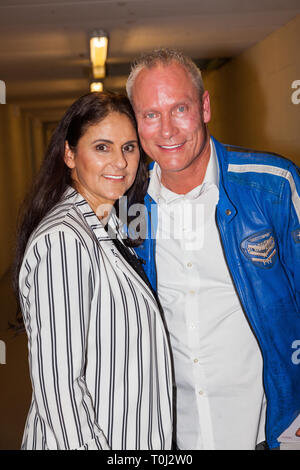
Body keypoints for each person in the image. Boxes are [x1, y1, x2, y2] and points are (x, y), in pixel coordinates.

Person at [126, 48, 300, 450]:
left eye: (179, 108)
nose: (166, 130)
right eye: (150, 114)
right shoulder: (129, 207)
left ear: (204, 106)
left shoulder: (272, 186)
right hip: (175, 437)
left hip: (268, 433)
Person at [13, 91, 173, 450]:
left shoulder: (109, 227)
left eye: (129, 148)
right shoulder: (64, 241)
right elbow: (59, 387)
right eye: (102, 147)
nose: (120, 162)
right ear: (69, 154)